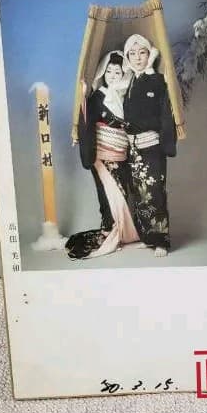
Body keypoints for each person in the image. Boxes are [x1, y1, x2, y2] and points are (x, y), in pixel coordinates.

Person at [66, 51, 139, 259]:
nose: (112, 75)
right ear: (102, 72)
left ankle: (123, 230)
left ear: (124, 73)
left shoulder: (128, 94)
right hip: (102, 154)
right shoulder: (98, 96)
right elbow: (87, 120)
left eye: (117, 72)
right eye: (109, 71)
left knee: (123, 193)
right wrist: (83, 95)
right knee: (106, 193)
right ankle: (110, 228)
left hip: (122, 153)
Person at [122, 34, 177, 257]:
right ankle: (147, 237)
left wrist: (165, 142)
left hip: (152, 145)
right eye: (132, 54)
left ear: (150, 55)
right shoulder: (130, 81)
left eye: (142, 52)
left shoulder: (157, 80)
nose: (137, 58)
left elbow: (164, 114)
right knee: (139, 193)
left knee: (155, 192)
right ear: (127, 57)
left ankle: (161, 241)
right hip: (133, 148)